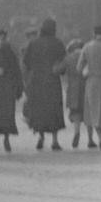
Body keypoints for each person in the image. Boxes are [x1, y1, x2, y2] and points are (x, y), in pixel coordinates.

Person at [23, 18, 67, 151]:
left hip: (37, 81)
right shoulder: (58, 43)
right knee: (54, 110)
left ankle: (40, 137)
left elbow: (26, 62)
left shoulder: (33, 43)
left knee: (39, 110)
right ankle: (55, 140)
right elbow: (63, 63)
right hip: (52, 81)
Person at [63, 38, 92, 149]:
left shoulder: (68, 58)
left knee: (76, 113)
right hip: (86, 87)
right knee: (88, 113)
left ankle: (77, 132)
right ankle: (90, 139)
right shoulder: (87, 56)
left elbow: (60, 69)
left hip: (73, 89)